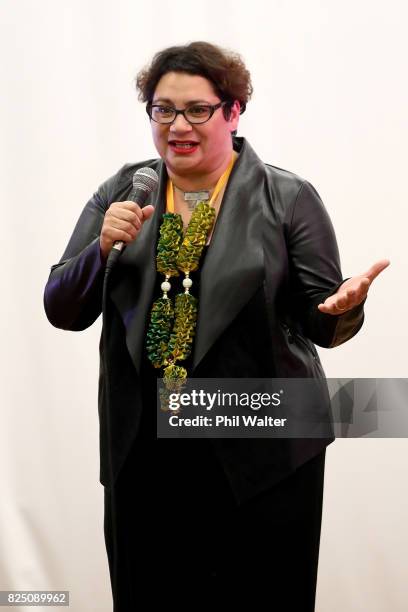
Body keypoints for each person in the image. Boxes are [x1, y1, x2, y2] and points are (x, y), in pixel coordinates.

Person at [43, 42, 389, 610]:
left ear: (233, 111)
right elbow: (63, 309)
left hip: (263, 456)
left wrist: (342, 306)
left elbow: (321, 325)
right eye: (162, 109)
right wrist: (100, 250)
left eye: (197, 109)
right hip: (145, 456)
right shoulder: (124, 192)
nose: (177, 124)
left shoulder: (287, 197)